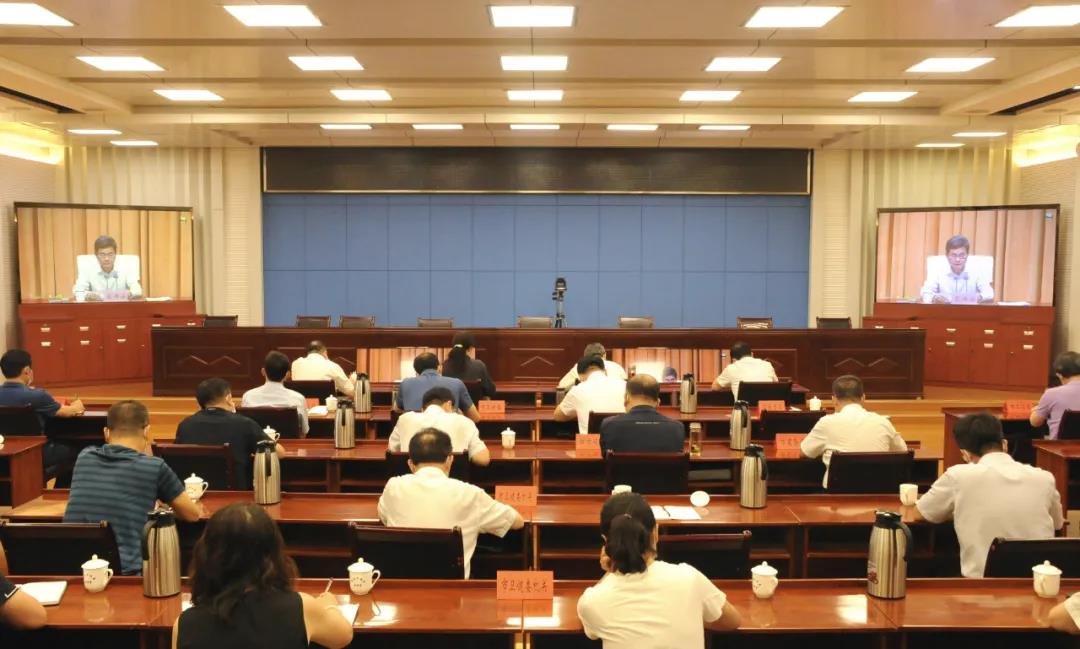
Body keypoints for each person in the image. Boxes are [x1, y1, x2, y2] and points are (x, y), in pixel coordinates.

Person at [173, 503, 353, 649]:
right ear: (272, 554)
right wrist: (329, 605)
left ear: (207, 555)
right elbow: (343, 636)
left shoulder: (184, 624)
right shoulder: (301, 607)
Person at [576, 492, 741, 648]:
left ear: (605, 541)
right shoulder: (689, 578)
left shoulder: (592, 602)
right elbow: (732, 621)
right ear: (655, 532)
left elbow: (592, 629)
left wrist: (611, 568)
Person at [915, 412, 1063, 578]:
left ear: (965, 454)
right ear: (1004, 444)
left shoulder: (958, 476)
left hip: (982, 584)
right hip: (1040, 581)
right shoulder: (1044, 478)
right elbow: (1058, 525)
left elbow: (921, 513)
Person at [64, 400, 200, 575]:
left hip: (71, 567)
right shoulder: (154, 466)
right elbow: (192, 514)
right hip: (126, 573)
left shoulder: (84, 457)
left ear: (106, 432)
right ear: (147, 431)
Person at [378, 429, 523, 579]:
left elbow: (383, 517)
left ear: (410, 464)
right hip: (454, 590)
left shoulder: (393, 487)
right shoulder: (470, 494)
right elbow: (517, 522)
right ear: (450, 460)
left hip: (401, 586)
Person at [800, 375, 908, 487]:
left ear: (834, 400)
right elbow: (903, 451)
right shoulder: (883, 422)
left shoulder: (826, 423)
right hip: (876, 492)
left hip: (836, 493)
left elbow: (804, 452)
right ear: (863, 398)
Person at [176, 378, 282, 490]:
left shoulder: (185, 425)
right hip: (235, 495)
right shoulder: (244, 423)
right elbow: (278, 453)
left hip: (195, 492)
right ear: (228, 398)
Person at [0, 349, 85, 475]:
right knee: (78, 450)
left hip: (4, 453)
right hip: (36, 452)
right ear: (27, 370)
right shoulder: (37, 395)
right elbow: (70, 412)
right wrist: (77, 403)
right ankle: (51, 482)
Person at [389, 387, 490, 466]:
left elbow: (392, 451)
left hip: (411, 483)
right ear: (449, 404)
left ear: (422, 409)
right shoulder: (465, 422)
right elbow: (483, 459)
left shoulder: (404, 419)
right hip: (454, 483)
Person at [599, 375, 684, 455]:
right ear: (658, 402)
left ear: (626, 398)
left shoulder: (608, 425)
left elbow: (605, 457)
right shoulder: (677, 428)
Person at [241, 351, 309, 437]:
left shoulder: (248, 396)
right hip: (289, 444)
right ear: (287, 374)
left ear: (263, 371)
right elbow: (304, 431)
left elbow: (245, 429)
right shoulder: (298, 398)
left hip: (256, 444)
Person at [555, 356, 627, 435]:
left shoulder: (577, 390)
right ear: (605, 371)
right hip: (625, 439)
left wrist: (578, 410)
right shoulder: (626, 385)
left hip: (592, 441)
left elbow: (558, 416)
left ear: (580, 376)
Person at [397, 352, 480, 421]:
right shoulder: (457, 383)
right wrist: (459, 415)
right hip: (447, 434)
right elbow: (475, 417)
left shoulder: (405, 383)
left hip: (414, 434)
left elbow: (397, 409)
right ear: (439, 367)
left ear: (416, 371)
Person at [919, 234, 994, 305]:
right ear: (947, 256)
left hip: (970, 311)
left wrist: (979, 297)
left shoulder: (976, 270)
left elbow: (989, 293)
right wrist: (934, 298)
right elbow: (925, 292)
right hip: (943, 311)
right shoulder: (938, 270)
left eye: (961, 255)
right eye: (953, 255)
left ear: (967, 255)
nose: (957, 259)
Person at [72, 234, 142, 302]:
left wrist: (131, 293)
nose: (106, 258)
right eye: (102, 254)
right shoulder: (87, 269)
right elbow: (77, 291)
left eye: (110, 254)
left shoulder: (126, 267)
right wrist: (87, 295)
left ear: (115, 254)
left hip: (121, 307)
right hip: (96, 308)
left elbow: (137, 290)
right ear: (96, 255)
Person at [1031, 351, 1080, 439]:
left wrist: (1036, 410)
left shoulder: (1051, 394)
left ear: (1059, 375)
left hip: (1060, 447)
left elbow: (1035, 422)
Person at [711, 341, 777, 400]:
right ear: (752, 354)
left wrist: (731, 382)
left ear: (734, 360)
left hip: (743, 409)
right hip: (765, 408)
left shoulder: (731, 368)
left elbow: (714, 387)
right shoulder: (767, 364)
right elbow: (775, 383)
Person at [441, 331, 497, 399]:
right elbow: (490, 391)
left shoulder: (444, 366)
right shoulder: (479, 366)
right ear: (470, 348)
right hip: (474, 405)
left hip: (451, 405)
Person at [290, 341, 354, 396]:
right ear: (325, 352)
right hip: (325, 406)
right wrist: (353, 380)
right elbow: (351, 392)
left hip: (300, 404)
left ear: (308, 353)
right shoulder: (332, 365)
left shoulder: (295, 364)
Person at [558, 343, 627, 390]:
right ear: (605, 355)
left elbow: (562, 386)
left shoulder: (579, 367)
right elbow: (626, 386)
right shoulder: (617, 367)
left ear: (585, 356)